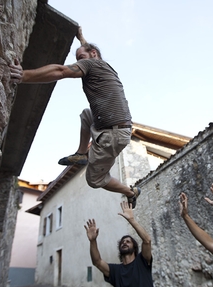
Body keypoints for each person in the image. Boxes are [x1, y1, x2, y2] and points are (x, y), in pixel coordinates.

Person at [9, 27, 141, 207]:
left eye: (80, 58)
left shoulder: (91, 64)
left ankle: (130, 191)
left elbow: (60, 71)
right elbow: (87, 50)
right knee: (87, 114)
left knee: (94, 180)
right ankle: (80, 154)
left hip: (113, 135)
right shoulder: (103, 65)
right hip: (110, 125)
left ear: (93, 54)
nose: (78, 63)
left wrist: (23, 75)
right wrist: (81, 38)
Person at [84, 201, 153, 287]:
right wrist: (93, 241)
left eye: (128, 241)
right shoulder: (115, 271)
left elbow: (147, 241)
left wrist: (131, 220)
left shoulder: (142, 262)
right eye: (122, 242)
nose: (124, 243)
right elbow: (97, 262)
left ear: (134, 248)